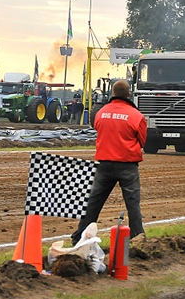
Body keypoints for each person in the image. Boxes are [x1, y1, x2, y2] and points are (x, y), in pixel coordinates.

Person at [71, 80, 147, 246]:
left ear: (113, 93)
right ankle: (138, 237)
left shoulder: (101, 112)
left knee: (93, 203)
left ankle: (78, 237)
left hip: (104, 164)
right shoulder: (137, 116)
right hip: (127, 164)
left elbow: (99, 129)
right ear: (129, 94)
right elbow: (142, 141)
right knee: (133, 205)